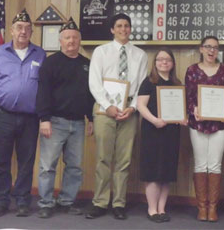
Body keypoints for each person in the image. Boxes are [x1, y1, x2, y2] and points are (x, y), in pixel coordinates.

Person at [0, 9, 46, 217]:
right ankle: (1, 201)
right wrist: (5, 99)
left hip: (30, 117)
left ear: (31, 32)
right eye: (19, 28)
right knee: (1, 160)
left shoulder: (40, 54)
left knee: (26, 161)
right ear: (11, 31)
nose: (23, 31)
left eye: (28, 29)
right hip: (3, 115)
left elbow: (44, 86)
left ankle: (22, 201)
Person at [87, 13, 148, 220]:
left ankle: (119, 203)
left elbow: (141, 85)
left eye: (127, 26)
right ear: (112, 30)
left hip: (129, 111)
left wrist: (132, 107)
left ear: (131, 29)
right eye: (119, 26)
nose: (123, 29)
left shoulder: (140, 55)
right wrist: (108, 106)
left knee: (124, 160)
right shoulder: (101, 51)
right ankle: (100, 202)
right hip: (105, 110)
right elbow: (94, 83)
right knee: (103, 158)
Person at [35, 17, 95, 218]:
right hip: (54, 121)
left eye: (75, 38)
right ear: (60, 41)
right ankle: (45, 203)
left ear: (80, 41)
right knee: (47, 166)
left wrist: (91, 119)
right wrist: (44, 119)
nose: (71, 41)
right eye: (67, 38)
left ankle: (67, 201)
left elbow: (90, 94)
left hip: (78, 123)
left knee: (75, 166)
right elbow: (42, 92)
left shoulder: (87, 64)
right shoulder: (50, 63)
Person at [185, 36, 224, 222]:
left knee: (215, 164)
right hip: (198, 122)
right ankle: (202, 207)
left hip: (220, 123)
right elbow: (189, 97)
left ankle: (212, 208)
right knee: (200, 163)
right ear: (201, 49)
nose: (211, 50)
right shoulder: (191, 70)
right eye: (208, 47)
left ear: (218, 50)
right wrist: (194, 109)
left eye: (215, 47)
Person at [137, 48, 186, 223]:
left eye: (167, 60)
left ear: (173, 63)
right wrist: (154, 120)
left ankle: (162, 208)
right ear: (155, 62)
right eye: (160, 59)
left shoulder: (177, 83)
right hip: (153, 131)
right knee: (153, 171)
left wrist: (182, 118)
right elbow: (140, 106)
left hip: (171, 133)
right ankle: (152, 209)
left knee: (167, 171)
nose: (164, 62)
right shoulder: (148, 82)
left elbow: (180, 109)